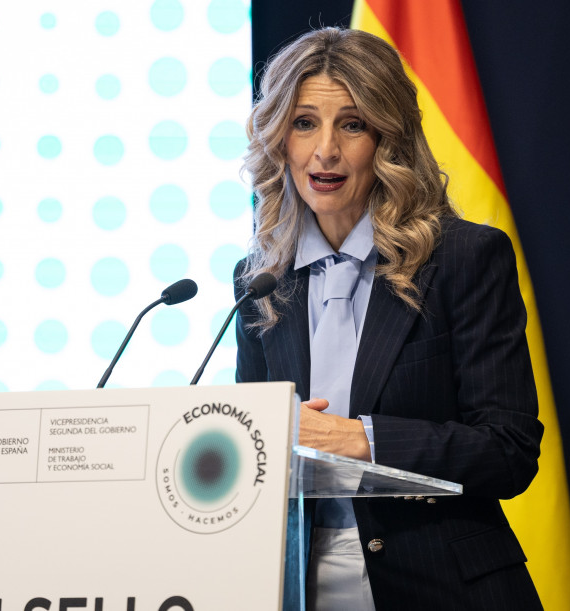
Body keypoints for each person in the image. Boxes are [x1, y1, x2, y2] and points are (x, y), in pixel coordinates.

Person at [234, 27, 545, 610]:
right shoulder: (260, 280)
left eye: (351, 124)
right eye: (304, 123)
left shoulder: (462, 259)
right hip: (297, 586)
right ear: (278, 139)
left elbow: (507, 450)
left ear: (388, 138)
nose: (325, 150)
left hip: (441, 586)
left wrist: (358, 438)